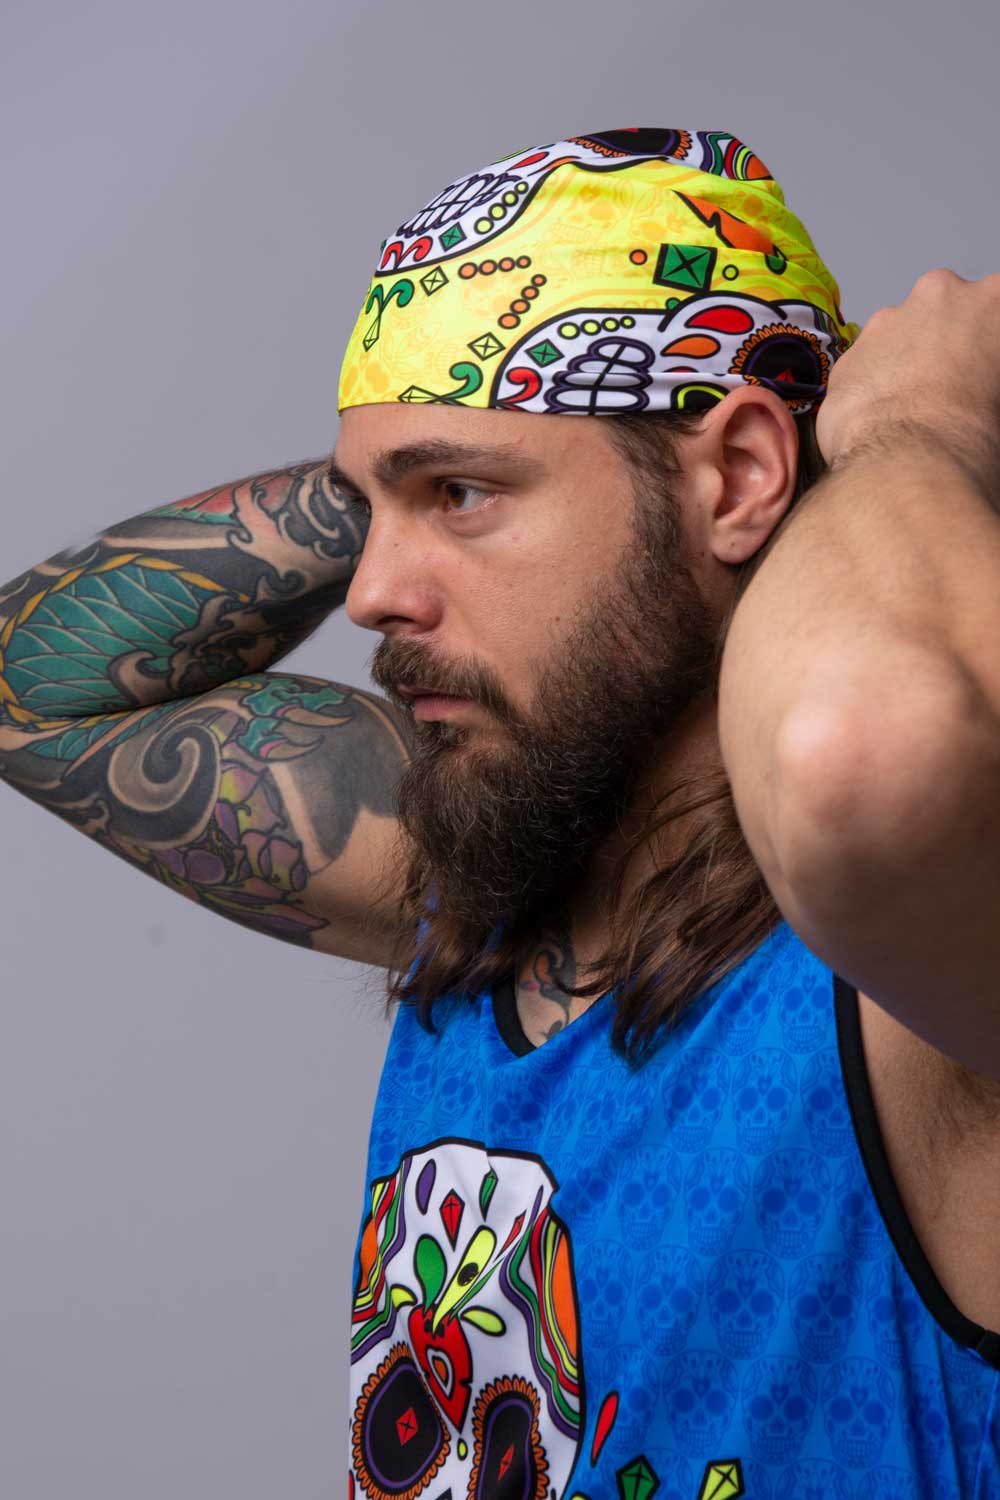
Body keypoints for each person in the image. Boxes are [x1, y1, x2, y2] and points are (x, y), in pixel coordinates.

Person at [2, 125, 999, 1496]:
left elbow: (864, 754)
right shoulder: (479, 884)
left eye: (461, 494)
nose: (370, 593)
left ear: (740, 479)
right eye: (373, 508)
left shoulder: (921, 974)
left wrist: (907, 432)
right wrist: (410, 442)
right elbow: (35, 691)